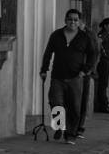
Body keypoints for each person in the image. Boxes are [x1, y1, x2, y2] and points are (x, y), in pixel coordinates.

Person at [39, 9, 99, 144]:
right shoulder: (56, 35)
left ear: (79, 22)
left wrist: (85, 70)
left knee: (74, 107)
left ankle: (70, 135)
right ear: (65, 20)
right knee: (55, 102)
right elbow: (48, 53)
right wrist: (44, 69)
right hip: (58, 76)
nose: (73, 22)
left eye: (75, 20)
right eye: (70, 19)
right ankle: (60, 126)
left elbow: (93, 54)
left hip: (76, 77)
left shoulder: (84, 37)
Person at [95, 19, 109, 113]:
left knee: (104, 84)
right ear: (105, 26)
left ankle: (104, 104)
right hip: (104, 63)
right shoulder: (102, 35)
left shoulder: (107, 35)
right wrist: (104, 56)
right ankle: (103, 105)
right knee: (103, 84)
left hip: (108, 63)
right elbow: (98, 45)